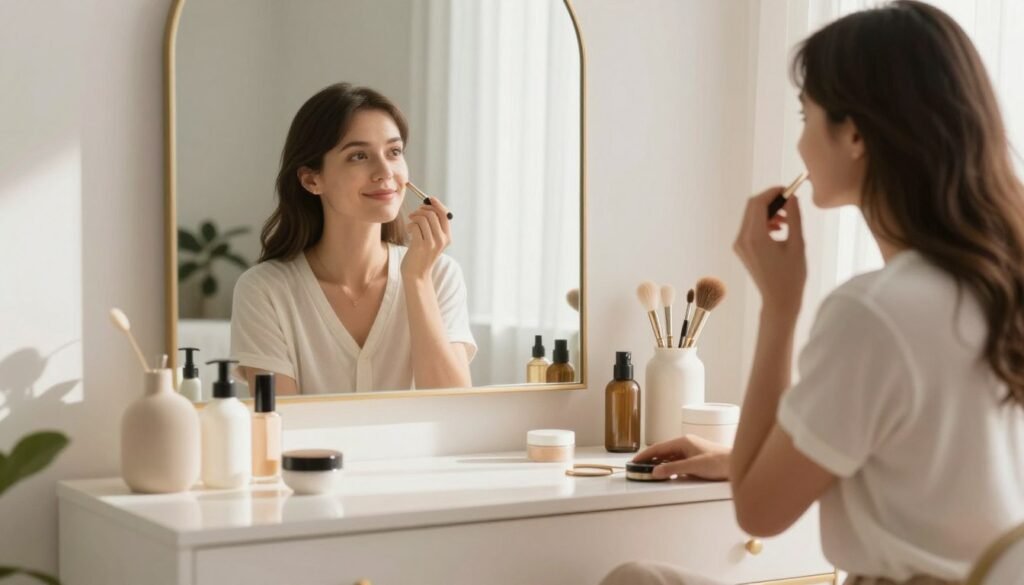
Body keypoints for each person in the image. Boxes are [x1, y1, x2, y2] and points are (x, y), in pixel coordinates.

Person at [606, 2, 1024, 584]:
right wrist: (762, 458)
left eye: (806, 116)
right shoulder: (999, 285)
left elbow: (758, 511)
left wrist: (780, 306)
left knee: (636, 578)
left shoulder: (875, 312)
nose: (800, 144)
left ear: (854, 133)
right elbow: (939, 473)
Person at [230, 83, 476, 394]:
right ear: (311, 179)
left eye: (394, 152)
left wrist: (416, 279)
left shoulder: (440, 275)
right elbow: (281, 426)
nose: (385, 171)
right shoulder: (265, 290)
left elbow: (454, 411)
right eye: (359, 156)